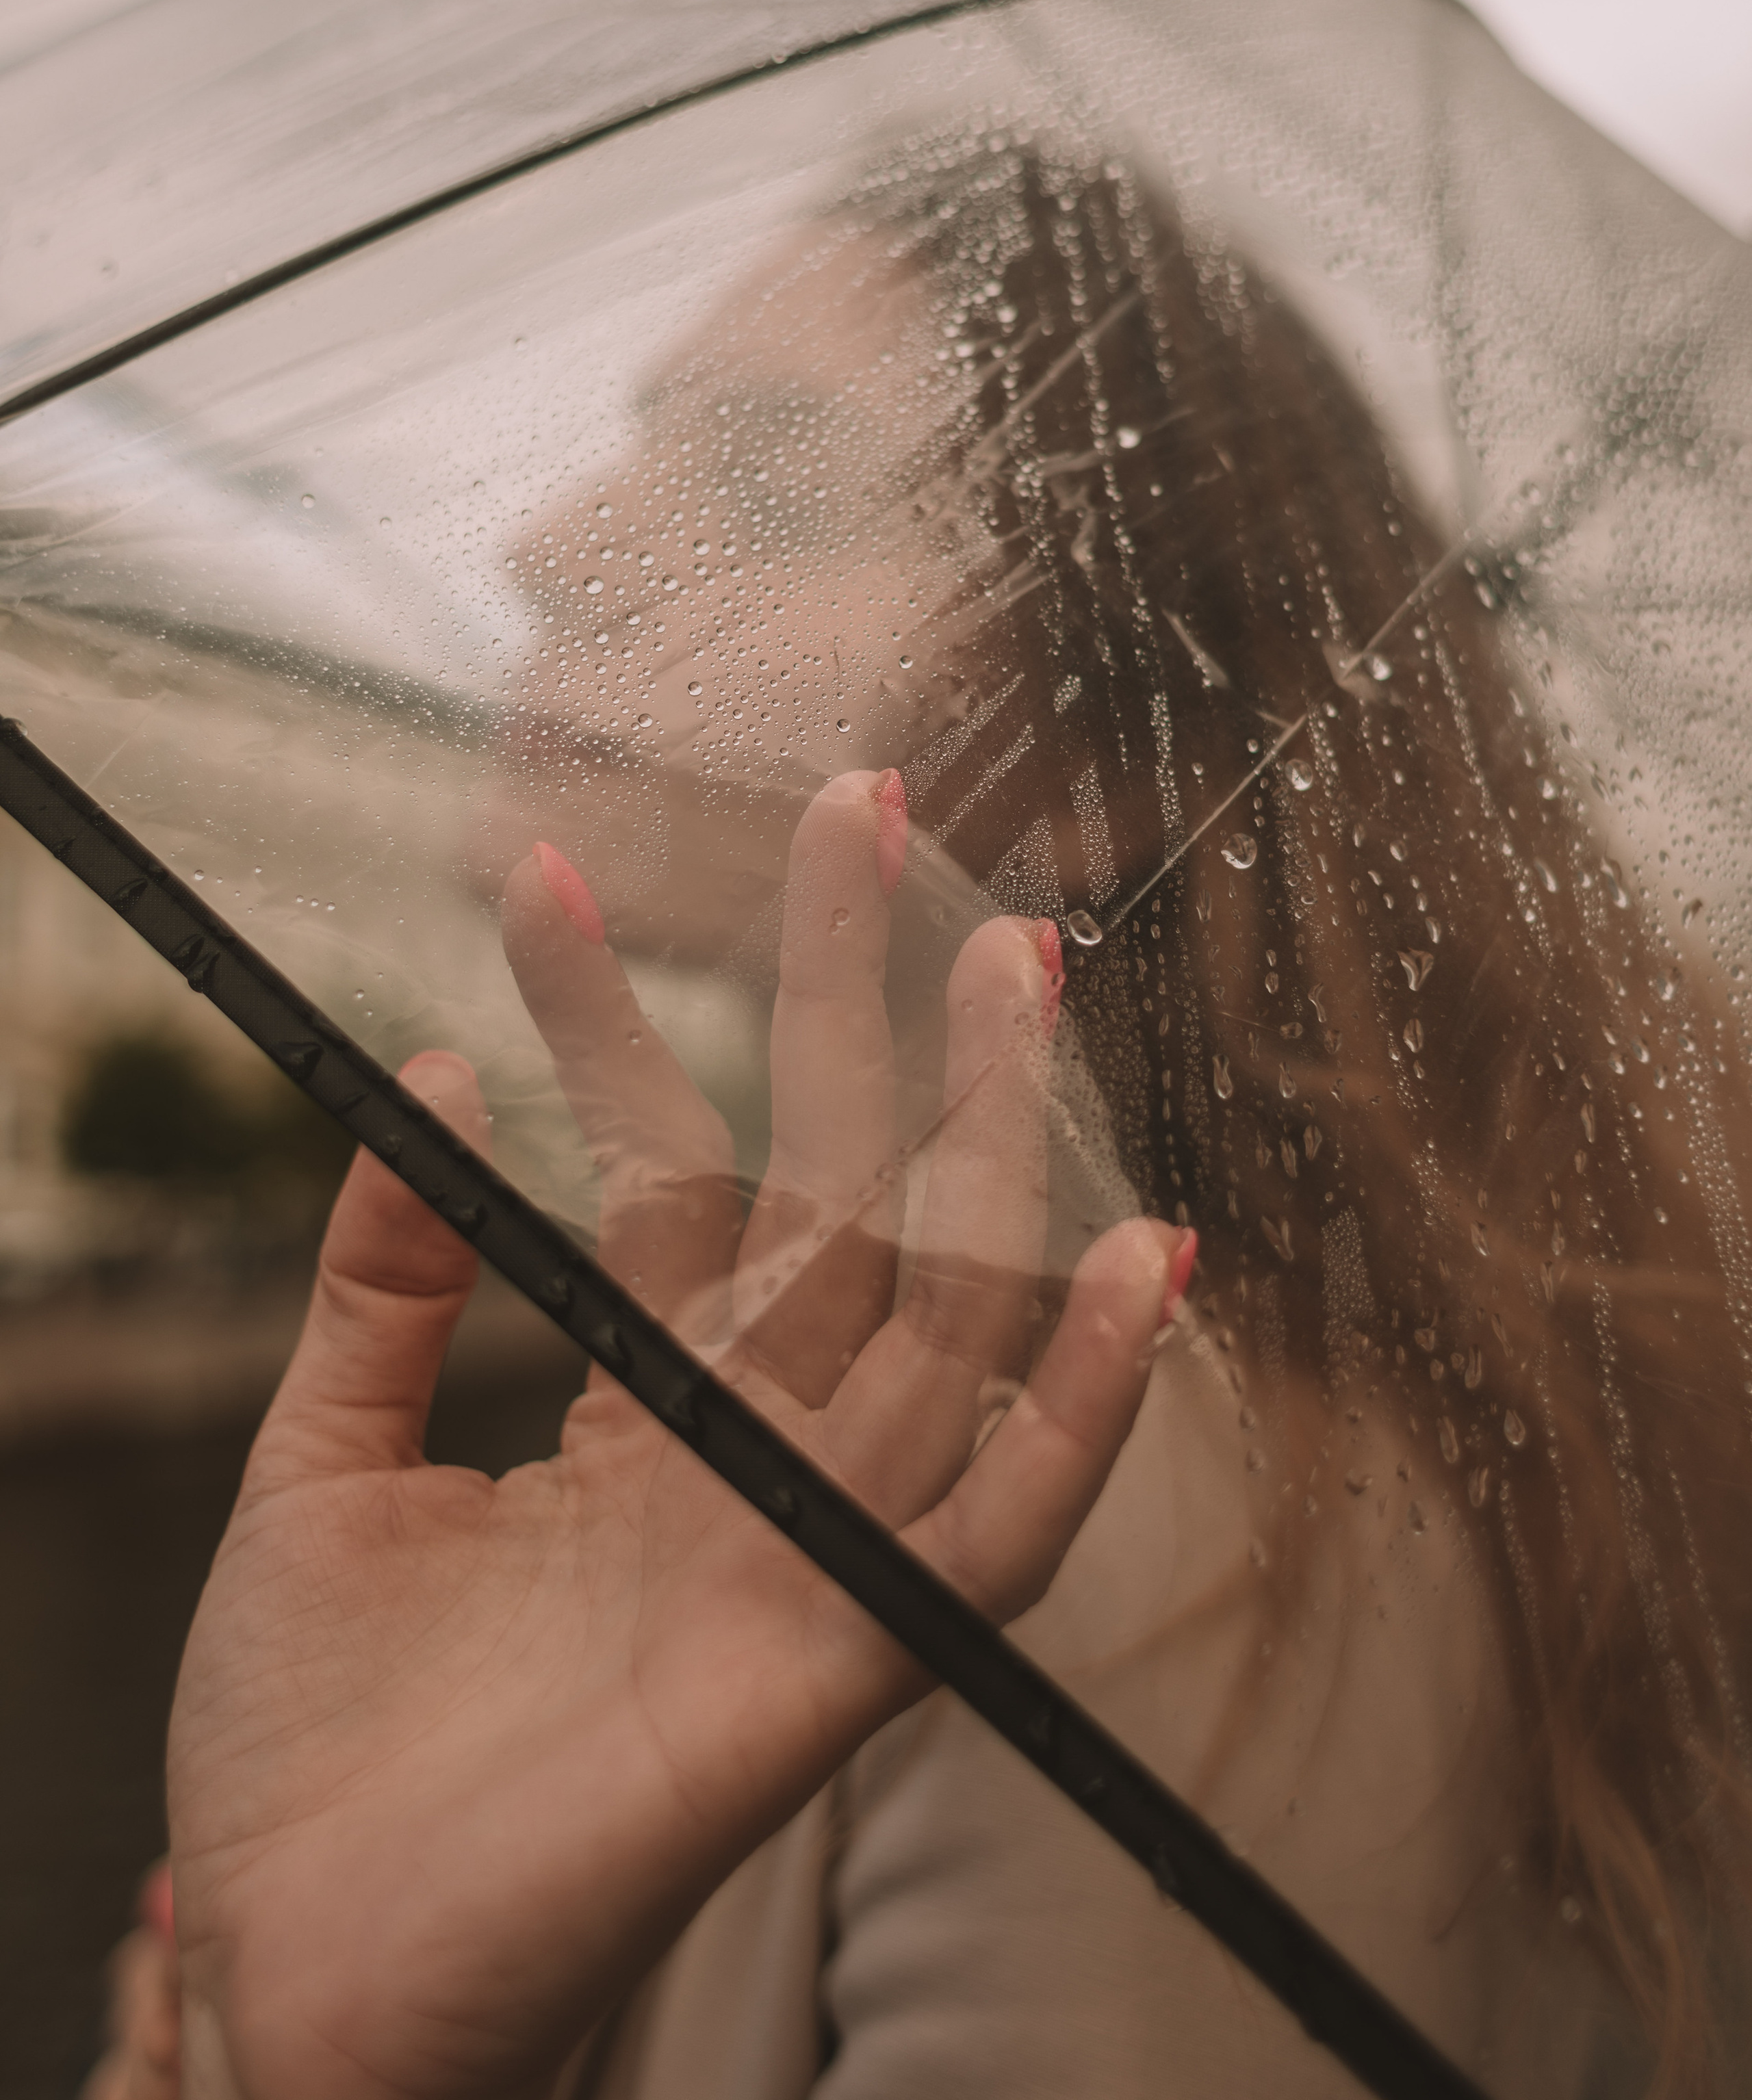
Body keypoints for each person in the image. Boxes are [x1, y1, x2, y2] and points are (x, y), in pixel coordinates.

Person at [92, 140, 1752, 2098]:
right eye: (646, 443)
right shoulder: (886, 1412)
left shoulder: (1129, 1525)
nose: (550, 541)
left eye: (768, 485)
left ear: (1105, 763)